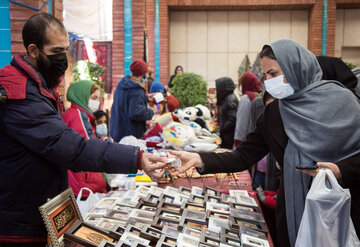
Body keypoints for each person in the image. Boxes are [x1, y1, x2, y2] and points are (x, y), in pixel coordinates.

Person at [169, 39, 360, 247]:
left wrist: (341, 169)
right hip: (294, 211)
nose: (267, 81)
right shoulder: (275, 113)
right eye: (265, 74)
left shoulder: (344, 102)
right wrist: (199, 158)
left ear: (296, 69)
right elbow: (243, 155)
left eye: (273, 74)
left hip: (345, 207)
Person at [0, 13, 166, 246]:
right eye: (57, 50)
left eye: (66, 49)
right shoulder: (19, 92)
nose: (63, 58)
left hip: (40, 205)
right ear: (34, 50)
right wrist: (137, 158)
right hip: (19, 218)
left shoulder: (40, 86)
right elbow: (71, 148)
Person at [62, 80, 108, 198]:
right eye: (94, 98)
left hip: (83, 182)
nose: (96, 102)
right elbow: (88, 146)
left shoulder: (80, 115)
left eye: (98, 98)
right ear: (83, 96)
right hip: (82, 184)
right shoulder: (77, 115)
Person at [110, 60, 155, 142]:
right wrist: (151, 113)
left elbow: (126, 101)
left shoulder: (122, 84)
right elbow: (136, 112)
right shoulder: (137, 90)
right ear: (142, 74)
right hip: (130, 134)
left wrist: (145, 98)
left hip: (117, 130)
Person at [233, 72, 262, 147]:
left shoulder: (246, 98)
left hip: (246, 141)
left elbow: (242, 122)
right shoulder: (259, 96)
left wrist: (237, 142)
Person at [215, 77, 239, 149]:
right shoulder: (226, 98)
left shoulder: (231, 99)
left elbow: (232, 119)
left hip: (229, 136)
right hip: (226, 134)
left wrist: (223, 127)